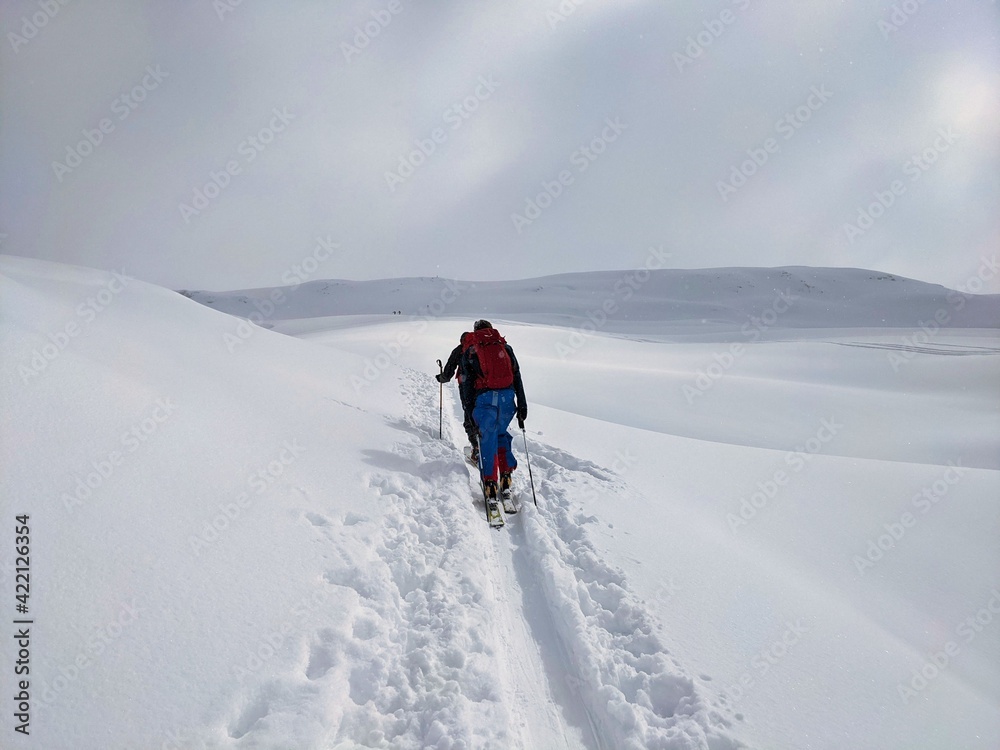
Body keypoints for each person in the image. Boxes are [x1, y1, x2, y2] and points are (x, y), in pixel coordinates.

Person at [462, 320, 527, 500]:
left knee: (487, 439)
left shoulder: (471, 351)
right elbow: (517, 376)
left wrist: (469, 413)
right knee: (500, 434)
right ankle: (506, 478)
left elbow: (467, 385)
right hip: (507, 399)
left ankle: (490, 483)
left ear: (475, 332)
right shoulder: (506, 348)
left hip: (485, 399)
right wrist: (522, 405)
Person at [436, 330, 479, 458]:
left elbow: (449, 370)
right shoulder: (481, 347)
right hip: (484, 386)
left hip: (466, 386)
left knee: (469, 415)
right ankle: (489, 446)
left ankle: (476, 448)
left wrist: (441, 378)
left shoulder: (460, 349)